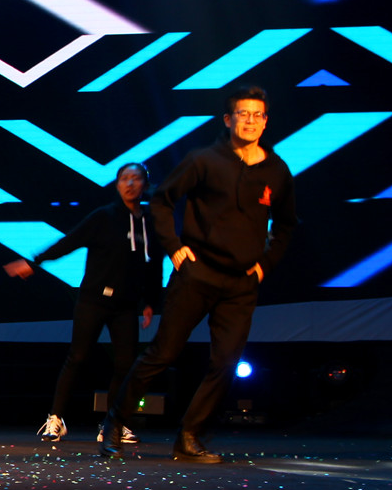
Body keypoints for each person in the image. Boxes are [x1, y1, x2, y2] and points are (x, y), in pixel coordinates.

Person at [99, 86, 299, 463]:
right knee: (162, 353)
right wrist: (175, 247)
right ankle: (114, 422)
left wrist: (264, 265)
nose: (250, 121)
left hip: (241, 284)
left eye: (257, 115)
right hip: (197, 274)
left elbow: (286, 224)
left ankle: (190, 437)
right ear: (228, 120)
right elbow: (162, 201)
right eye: (243, 114)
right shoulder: (203, 160)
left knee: (225, 363)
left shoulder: (277, 170)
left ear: (265, 122)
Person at [4, 163, 160, 448]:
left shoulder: (150, 222)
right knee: (78, 357)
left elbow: (152, 264)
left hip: (126, 305)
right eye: (124, 178)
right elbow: (70, 242)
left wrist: (150, 301)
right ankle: (56, 419)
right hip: (93, 299)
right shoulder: (104, 216)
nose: (130, 184)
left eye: (136, 179)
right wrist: (34, 262)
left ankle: (113, 423)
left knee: (125, 364)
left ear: (145, 185)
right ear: (117, 185)